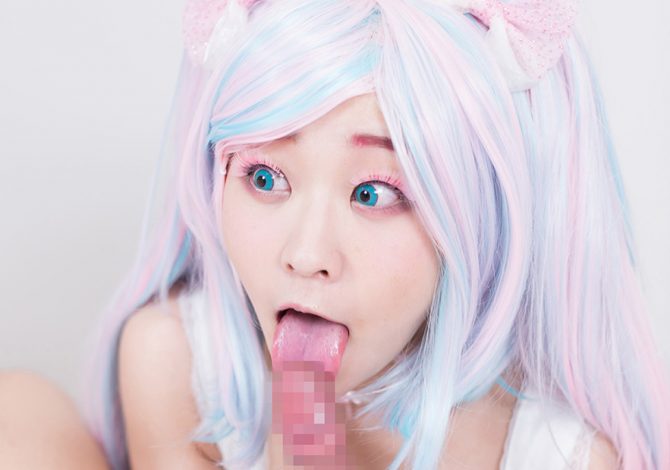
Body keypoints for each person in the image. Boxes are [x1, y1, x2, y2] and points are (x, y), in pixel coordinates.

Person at [36, 0, 668, 468]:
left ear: (481, 215)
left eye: (373, 193)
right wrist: (301, 441)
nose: (306, 254)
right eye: (264, 177)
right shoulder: (175, 364)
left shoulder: (557, 455)